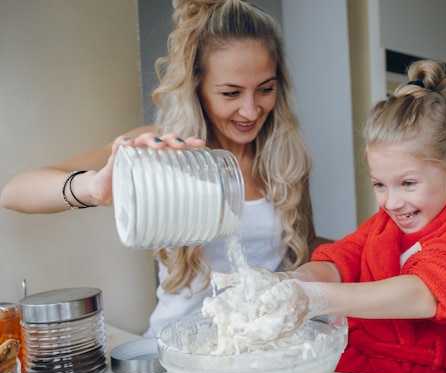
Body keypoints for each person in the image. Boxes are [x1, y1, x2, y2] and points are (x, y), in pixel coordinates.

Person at [0, 0, 322, 337]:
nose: (251, 110)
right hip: (176, 348)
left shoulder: (285, 161)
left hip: (260, 346)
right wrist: (93, 188)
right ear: (196, 87)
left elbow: (304, 248)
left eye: (265, 89)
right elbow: (15, 192)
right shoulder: (159, 149)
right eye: (230, 93)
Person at [234, 59, 446, 373]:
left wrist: (314, 298)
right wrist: (291, 281)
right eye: (380, 184)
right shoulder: (383, 226)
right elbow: (339, 261)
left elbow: (427, 294)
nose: (392, 203)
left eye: (408, 183)